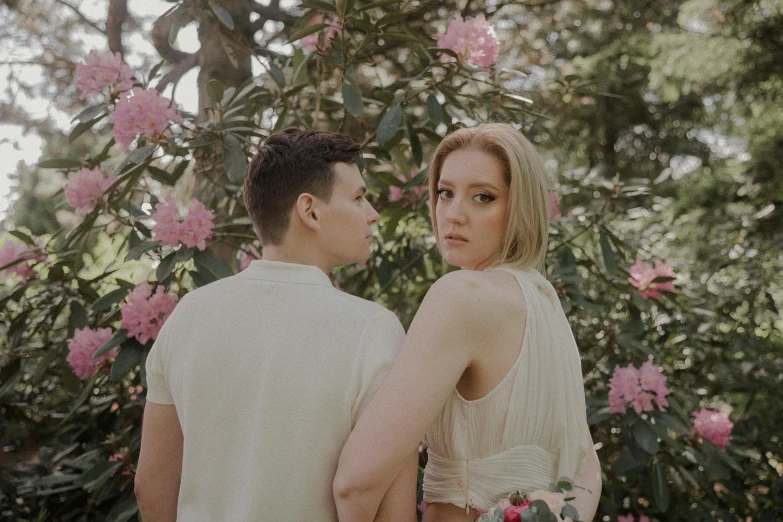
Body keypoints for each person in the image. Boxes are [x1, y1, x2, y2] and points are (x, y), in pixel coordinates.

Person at [134, 128, 418, 522]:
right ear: (310, 211)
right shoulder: (373, 329)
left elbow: (151, 485)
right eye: (357, 197)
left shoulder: (188, 315)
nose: (371, 212)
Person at [334, 123, 602, 521]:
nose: (453, 214)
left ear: (520, 207)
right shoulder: (545, 303)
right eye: (445, 193)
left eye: (482, 197)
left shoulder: (462, 296)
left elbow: (355, 483)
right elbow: (585, 469)